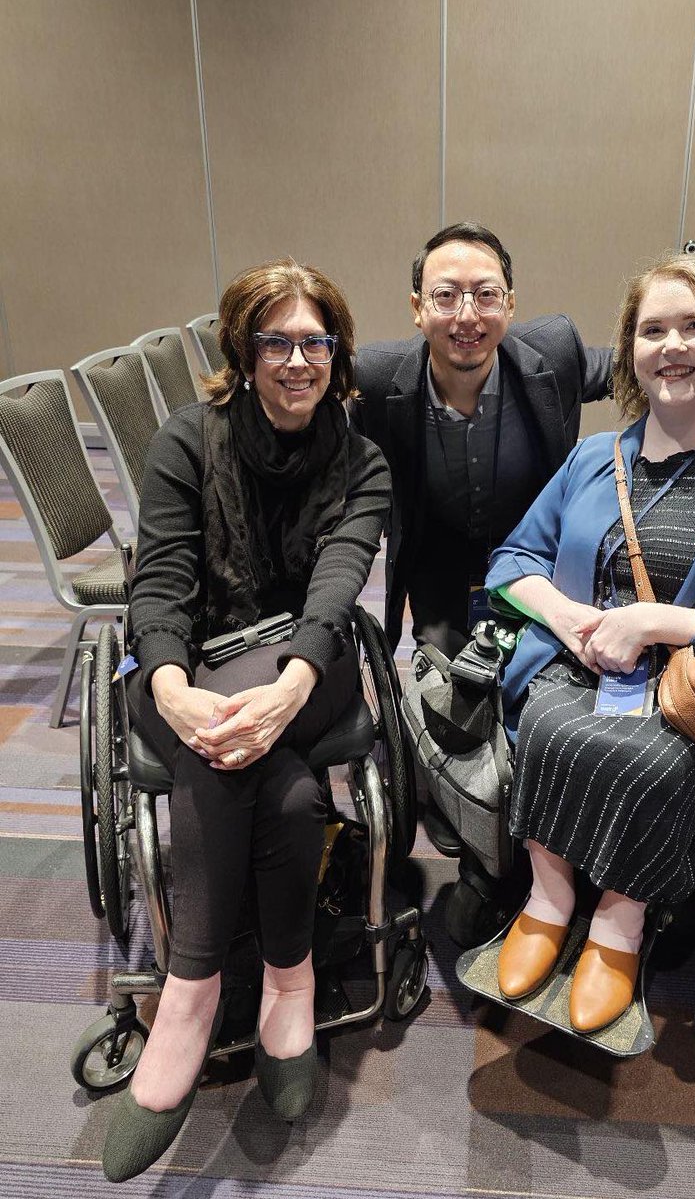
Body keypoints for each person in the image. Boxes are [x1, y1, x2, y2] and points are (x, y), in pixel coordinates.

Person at [101, 260, 391, 1181]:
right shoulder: (185, 443)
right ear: (243, 349)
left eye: (315, 341)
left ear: (336, 353)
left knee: (226, 752)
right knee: (294, 798)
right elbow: (159, 584)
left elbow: (338, 585)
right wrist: (174, 684)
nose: (297, 360)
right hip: (196, 662)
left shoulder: (363, 461)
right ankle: (274, 981)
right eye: (277, 341)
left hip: (312, 661)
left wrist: (295, 683)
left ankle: (191, 997)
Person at [486, 253, 695, 1034]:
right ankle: (549, 893)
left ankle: (618, 919)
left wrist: (667, 622)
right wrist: (569, 619)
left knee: (654, 758)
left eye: (693, 326)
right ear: (631, 351)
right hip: (580, 661)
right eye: (652, 329)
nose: (671, 345)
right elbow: (511, 562)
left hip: (694, 686)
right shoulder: (591, 459)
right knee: (544, 723)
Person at [354, 220, 610, 855]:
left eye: (485, 294)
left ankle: (544, 842)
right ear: (417, 309)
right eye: (446, 296)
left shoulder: (554, 356)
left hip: (534, 572)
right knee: (448, 704)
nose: (467, 315)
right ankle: (475, 840)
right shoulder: (378, 381)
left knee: (543, 700)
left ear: (510, 304)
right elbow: (298, 400)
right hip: (437, 575)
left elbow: (645, 365)